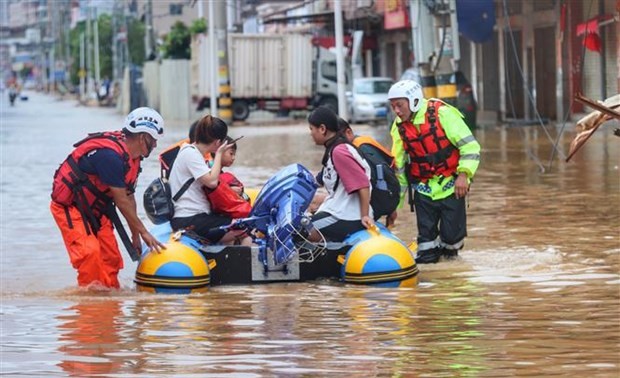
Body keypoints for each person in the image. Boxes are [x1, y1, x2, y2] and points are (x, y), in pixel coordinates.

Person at [50, 107, 166, 289]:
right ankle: (90, 307)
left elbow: (129, 197)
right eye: (154, 140)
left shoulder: (132, 158)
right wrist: (144, 232)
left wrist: (135, 234)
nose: (155, 145)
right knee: (90, 254)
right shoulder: (110, 157)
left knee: (111, 258)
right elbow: (120, 201)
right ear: (143, 137)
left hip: (97, 208)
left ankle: (110, 306)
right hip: (71, 207)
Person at [387, 80, 481, 263]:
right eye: (393, 107)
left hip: (452, 186)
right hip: (423, 190)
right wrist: (393, 207)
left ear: (413, 100)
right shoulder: (399, 127)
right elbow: (398, 171)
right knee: (426, 247)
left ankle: (451, 280)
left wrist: (464, 175)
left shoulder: (443, 114)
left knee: (451, 243)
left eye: (400, 105)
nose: (396, 111)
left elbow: (471, 147)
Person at [168, 114, 251, 245]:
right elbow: (212, 182)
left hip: (198, 217)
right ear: (218, 142)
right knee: (244, 227)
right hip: (189, 219)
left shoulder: (193, 153)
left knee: (233, 224)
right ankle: (245, 264)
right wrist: (218, 153)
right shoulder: (190, 153)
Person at [306, 106, 374, 242]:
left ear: (322, 129)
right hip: (342, 211)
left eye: (311, 129)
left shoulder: (339, 151)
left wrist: (365, 215)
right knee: (305, 219)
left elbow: (363, 184)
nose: (311, 134)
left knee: (299, 231)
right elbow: (319, 179)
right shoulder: (334, 148)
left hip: (349, 216)